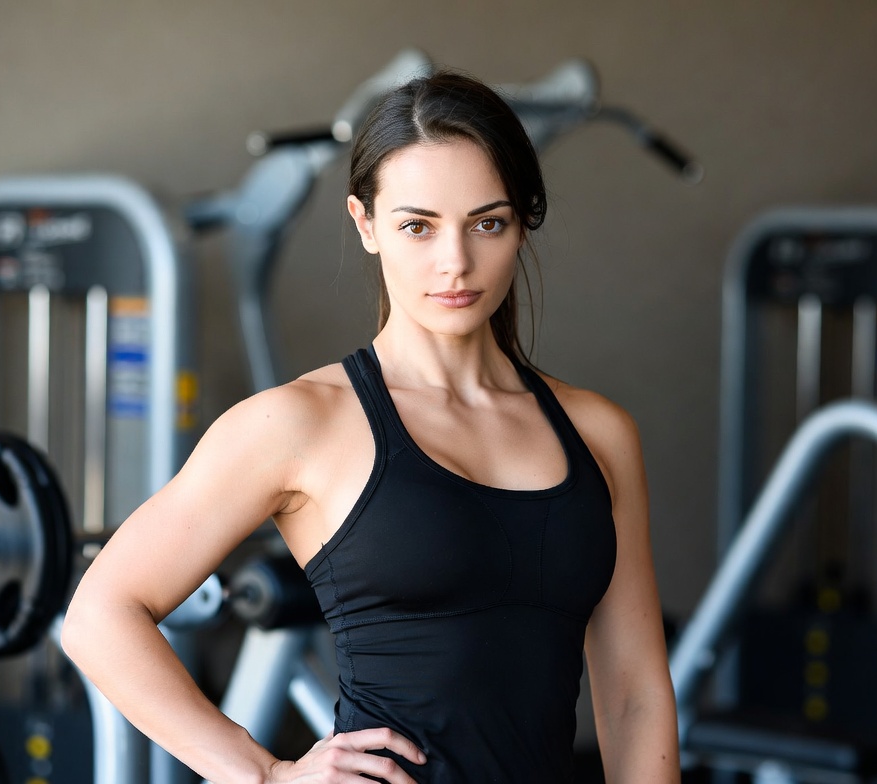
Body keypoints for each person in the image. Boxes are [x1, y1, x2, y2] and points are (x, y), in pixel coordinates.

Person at [63, 70, 678, 783]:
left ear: (524, 220)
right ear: (366, 224)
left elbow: (634, 694)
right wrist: (265, 773)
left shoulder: (599, 433)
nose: (455, 261)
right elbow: (102, 613)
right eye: (418, 226)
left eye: (488, 222)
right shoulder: (299, 423)